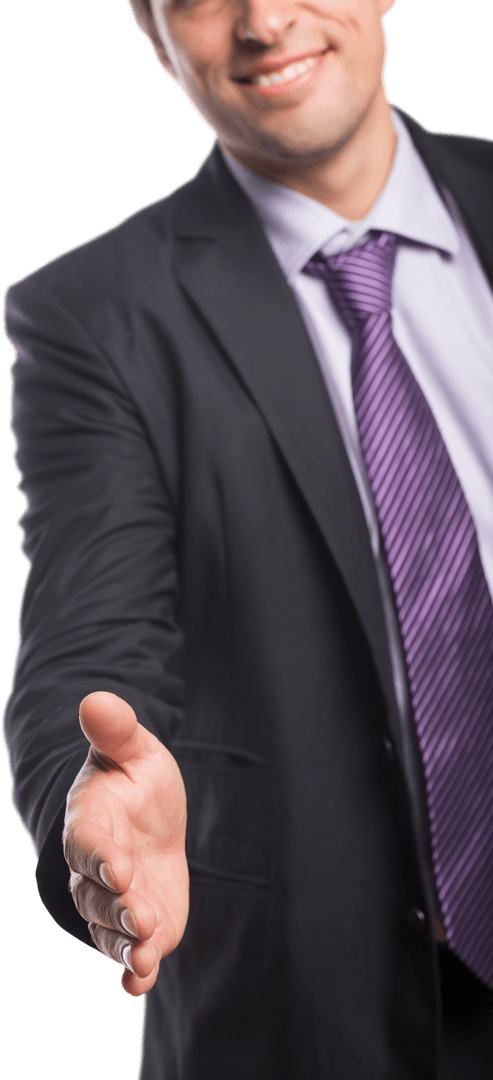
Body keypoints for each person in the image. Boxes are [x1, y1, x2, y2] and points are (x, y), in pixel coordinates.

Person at [4, 0, 493, 1076]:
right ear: (151, 31)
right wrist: (97, 799)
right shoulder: (90, 316)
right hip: (304, 1019)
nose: (265, 19)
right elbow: (90, 633)